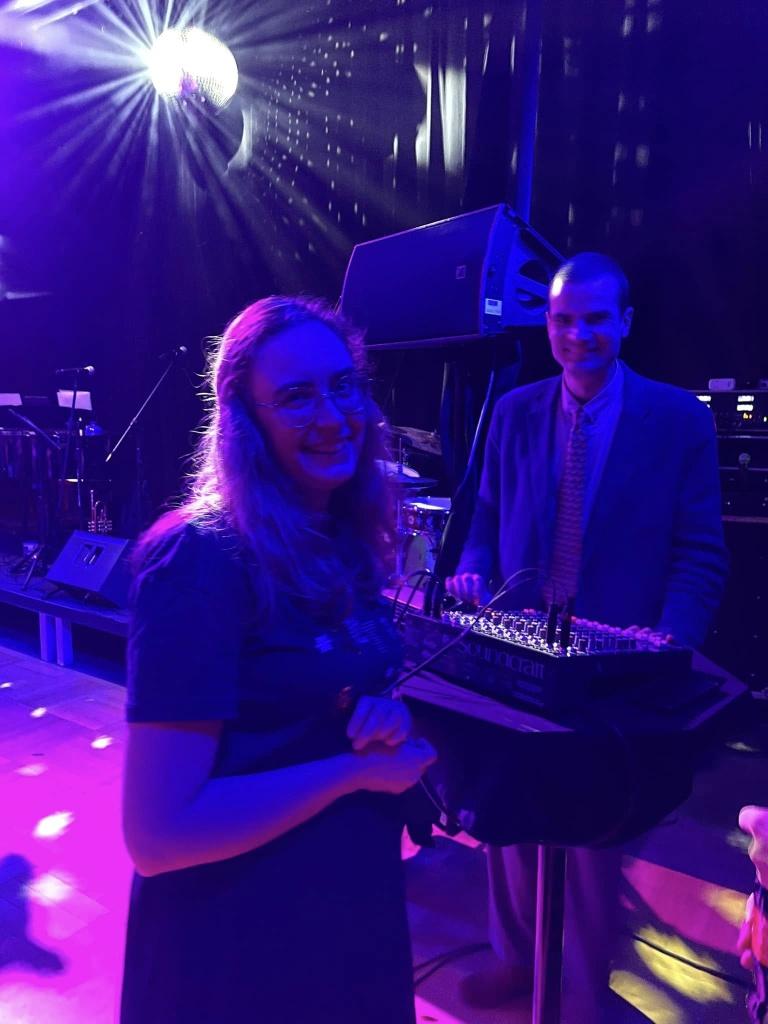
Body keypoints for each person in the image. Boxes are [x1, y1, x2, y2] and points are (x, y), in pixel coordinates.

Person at [119, 296, 436, 1024]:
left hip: (343, 916)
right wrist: (354, 771)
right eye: (296, 397)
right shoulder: (200, 558)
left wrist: (376, 716)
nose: (333, 415)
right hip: (239, 945)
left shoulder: (336, 534)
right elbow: (159, 835)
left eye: (343, 384)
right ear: (247, 423)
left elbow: (303, 700)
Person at [446, 252, 728, 1020]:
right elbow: (485, 520)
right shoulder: (514, 411)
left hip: (618, 664)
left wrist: (667, 646)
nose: (578, 335)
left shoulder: (679, 420)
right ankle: (515, 960)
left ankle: (580, 990)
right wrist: (472, 572)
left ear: (626, 323)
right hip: (520, 643)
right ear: (547, 323)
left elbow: (700, 552)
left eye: (595, 318)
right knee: (505, 809)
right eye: (563, 319)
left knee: (593, 833)